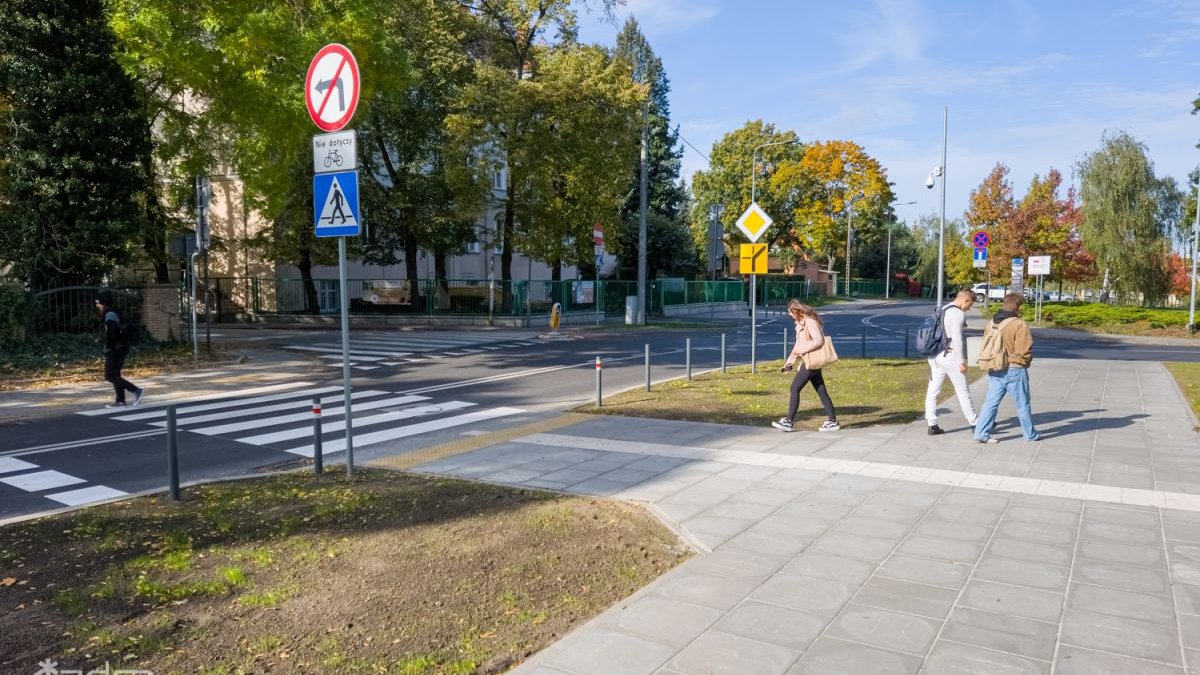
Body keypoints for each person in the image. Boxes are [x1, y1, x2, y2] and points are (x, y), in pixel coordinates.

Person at [974, 292, 1039, 444]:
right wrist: (1025, 363)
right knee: (1022, 404)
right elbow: (1024, 350)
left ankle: (981, 432)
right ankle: (1030, 435)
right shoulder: (1019, 324)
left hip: (995, 367)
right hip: (1014, 369)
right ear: (1019, 307)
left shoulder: (991, 323)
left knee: (990, 402)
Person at [772, 299, 839, 433]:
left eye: (790, 312)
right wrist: (790, 361)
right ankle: (832, 421)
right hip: (809, 360)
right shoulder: (799, 323)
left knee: (794, 388)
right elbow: (798, 345)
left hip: (811, 360)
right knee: (821, 390)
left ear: (797, 311)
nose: (789, 315)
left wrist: (803, 350)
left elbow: (819, 340)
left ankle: (789, 421)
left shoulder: (810, 321)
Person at [924, 289, 978, 435]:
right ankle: (975, 423)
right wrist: (961, 360)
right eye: (970, 304)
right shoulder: (958, 313)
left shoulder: (942, 309)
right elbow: (957, 339)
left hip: (935, 355)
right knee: (962, 390)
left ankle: (932, 424)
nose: (969, 308)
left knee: (933, 391)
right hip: (950, 355)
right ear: (965, 300)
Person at [96, 291, 143, 409]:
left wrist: (108, 347)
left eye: (98, 303)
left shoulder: (109, 314)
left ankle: (136, 390)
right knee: (115, 374)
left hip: (117, 348)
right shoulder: (113, 312)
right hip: (121, 347)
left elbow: (112, 334)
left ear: (104, 303)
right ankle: (120, 401)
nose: (97, 305)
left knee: (109, 375)